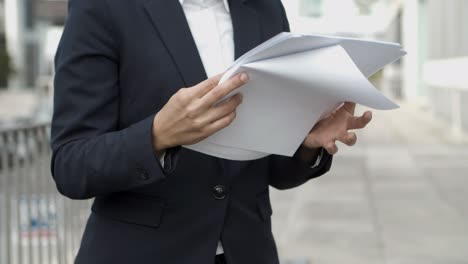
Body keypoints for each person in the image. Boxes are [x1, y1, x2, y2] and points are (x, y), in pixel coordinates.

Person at [50, 0, 372, 263]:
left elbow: (272, 172)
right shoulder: (103, 8)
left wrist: (305, 141)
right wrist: (157, 135)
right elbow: (71, 164)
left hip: (248, 252)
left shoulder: (266, 9)